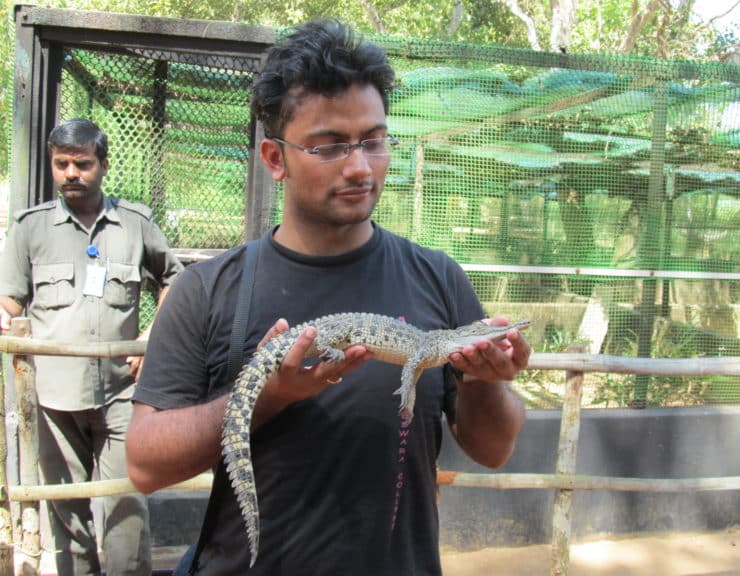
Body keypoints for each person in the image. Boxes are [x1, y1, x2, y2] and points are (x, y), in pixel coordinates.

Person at [125, 19, 529, 576]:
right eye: (330, 146)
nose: (360, 166)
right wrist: (267, 398)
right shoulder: (207, 289)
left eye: (374, 140)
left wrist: (488, 378)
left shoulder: (440, 277)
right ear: (274, 158)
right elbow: (144, 464)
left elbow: (493, 449)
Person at [0, 118, 184, 576]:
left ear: (102, 165)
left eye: (82, 164)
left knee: (125, 509)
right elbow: (10, 299)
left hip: (123, 392)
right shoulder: (30, 228)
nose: (70, 174)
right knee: (68, 517)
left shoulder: (135, 224)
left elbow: (175, 279)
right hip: (53, 398)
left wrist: (149, 340)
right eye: (61, 164)